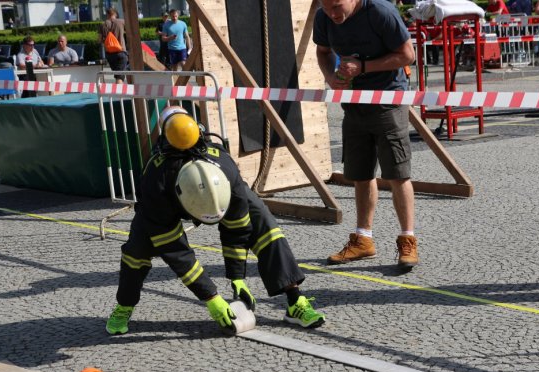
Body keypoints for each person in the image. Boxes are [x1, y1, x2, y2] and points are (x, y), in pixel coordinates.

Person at [105, 107, 326, 335]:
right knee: (136, 251)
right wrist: (211, 297)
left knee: (265, 225)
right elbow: (176, 251)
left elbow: (237, 228)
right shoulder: (155, 182)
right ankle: (124, 305)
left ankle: (294, 301)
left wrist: (237, 278)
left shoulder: (227, 170)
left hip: (222, 191)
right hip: (163, 203)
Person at [314, 0, 419, 270]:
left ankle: (408, 239)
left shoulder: (380, 12)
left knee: (397, 174)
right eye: (326, 8)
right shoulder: (323, 17)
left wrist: (362, 67)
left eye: (337, 7)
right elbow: (323, 51)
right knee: (360, 175)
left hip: (388, 100)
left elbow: (408, 55)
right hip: (353, 104)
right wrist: (330, 77)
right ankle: (363, 240)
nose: (333, 15)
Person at [99, 7, 128, 84]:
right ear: (115, 14)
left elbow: (99, 40)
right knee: (119, 77)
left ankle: (119, 93)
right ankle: (120, 94)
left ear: (107, 14)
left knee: (117, 75)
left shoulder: (103, 25)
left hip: (110, 54)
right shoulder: (122, 22)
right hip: (120, 52)